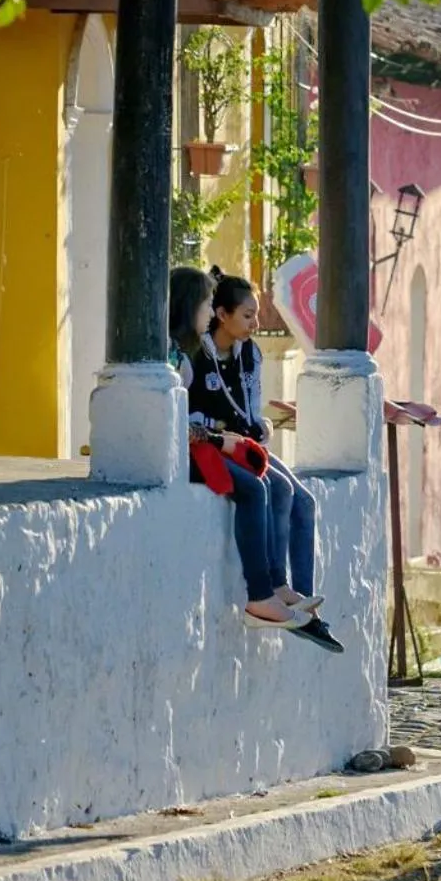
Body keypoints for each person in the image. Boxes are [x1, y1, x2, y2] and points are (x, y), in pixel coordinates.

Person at [189, 268, 344, 655]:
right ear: (220, 314)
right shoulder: (198, 355)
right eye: (247, 315)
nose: (256, 323)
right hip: (215, 447)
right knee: (274, 488)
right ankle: (273, 587)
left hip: (243, 444)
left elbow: (251, 405)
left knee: (303, 501)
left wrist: (261, 427)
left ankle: (298, 601)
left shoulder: (249, 353)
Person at [169, 266, 309, 634]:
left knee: (291, 493)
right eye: (205, 304)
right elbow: (176, 422)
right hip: (192, 452)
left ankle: (283, 592)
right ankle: (262, 594)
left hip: (226, 443)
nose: (208, 310)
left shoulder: (201, 353)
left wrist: (253, 428)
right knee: (258, 489)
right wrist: (217, 435)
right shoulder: (184, 358)